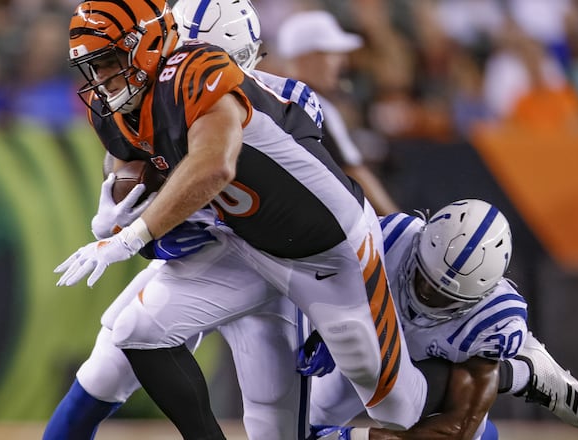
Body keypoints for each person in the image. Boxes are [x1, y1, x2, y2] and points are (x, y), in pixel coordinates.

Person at [55, 0, 429, 438]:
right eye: (95, 68)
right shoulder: (127, 101)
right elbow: (128, 165)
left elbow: (215, 166)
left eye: (110, 63)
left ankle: (488, 404)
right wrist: (118, 205)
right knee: (137, 331)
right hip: (240, 241)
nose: (102, 80)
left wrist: (132, 235)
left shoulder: (198, 70)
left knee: (394, 404)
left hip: (327, 251)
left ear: (148, 45)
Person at [44, 1, 322, 437]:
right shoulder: (146, 94)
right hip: (197, 261)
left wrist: (330, 302)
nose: (184, 71)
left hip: (271, 269)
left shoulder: (287, 105)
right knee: (107, 364)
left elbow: (334, 210)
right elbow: (128, 159)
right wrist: (120, 199)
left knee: (277, 423)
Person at [295, 199, 578, 440]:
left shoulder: (492, 321)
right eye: (423, 278)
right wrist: (326, 326)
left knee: (402, 416)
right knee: (293, 427)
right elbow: (327, 277)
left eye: (443, 296)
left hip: (433, 368)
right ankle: (522, 372)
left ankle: (520, 373)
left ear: (479, 297)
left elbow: (456, 429)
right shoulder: (392, 236)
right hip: (371, 340)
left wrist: (359, 438)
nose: (424, 296)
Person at [275, 10, 400, 215]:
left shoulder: (268, 100)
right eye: (332, 53)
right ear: (307, 57)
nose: (343, 62)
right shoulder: (315, 104)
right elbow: (355, 173)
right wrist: (403, 223)